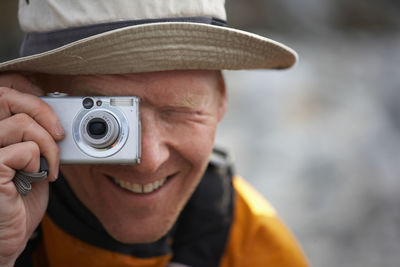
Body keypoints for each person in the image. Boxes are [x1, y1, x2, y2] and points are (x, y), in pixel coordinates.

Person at [0, 0, 308, 266]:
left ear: (221, 101)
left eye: (179, 111)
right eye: (102, 121)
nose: (147, 160)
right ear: (33, 100)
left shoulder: (261, 251)